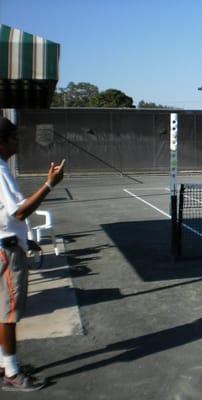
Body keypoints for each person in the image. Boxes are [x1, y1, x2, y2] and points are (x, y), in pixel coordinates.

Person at [0, 117, 65, 391]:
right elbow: (19, 211)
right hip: (6, 250)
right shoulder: (0, 170)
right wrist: (49, 184)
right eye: (13, 137)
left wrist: (27, 239)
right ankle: (12, 372)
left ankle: (5, 364)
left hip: (9, 243)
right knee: (8, 314)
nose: (18, 141)